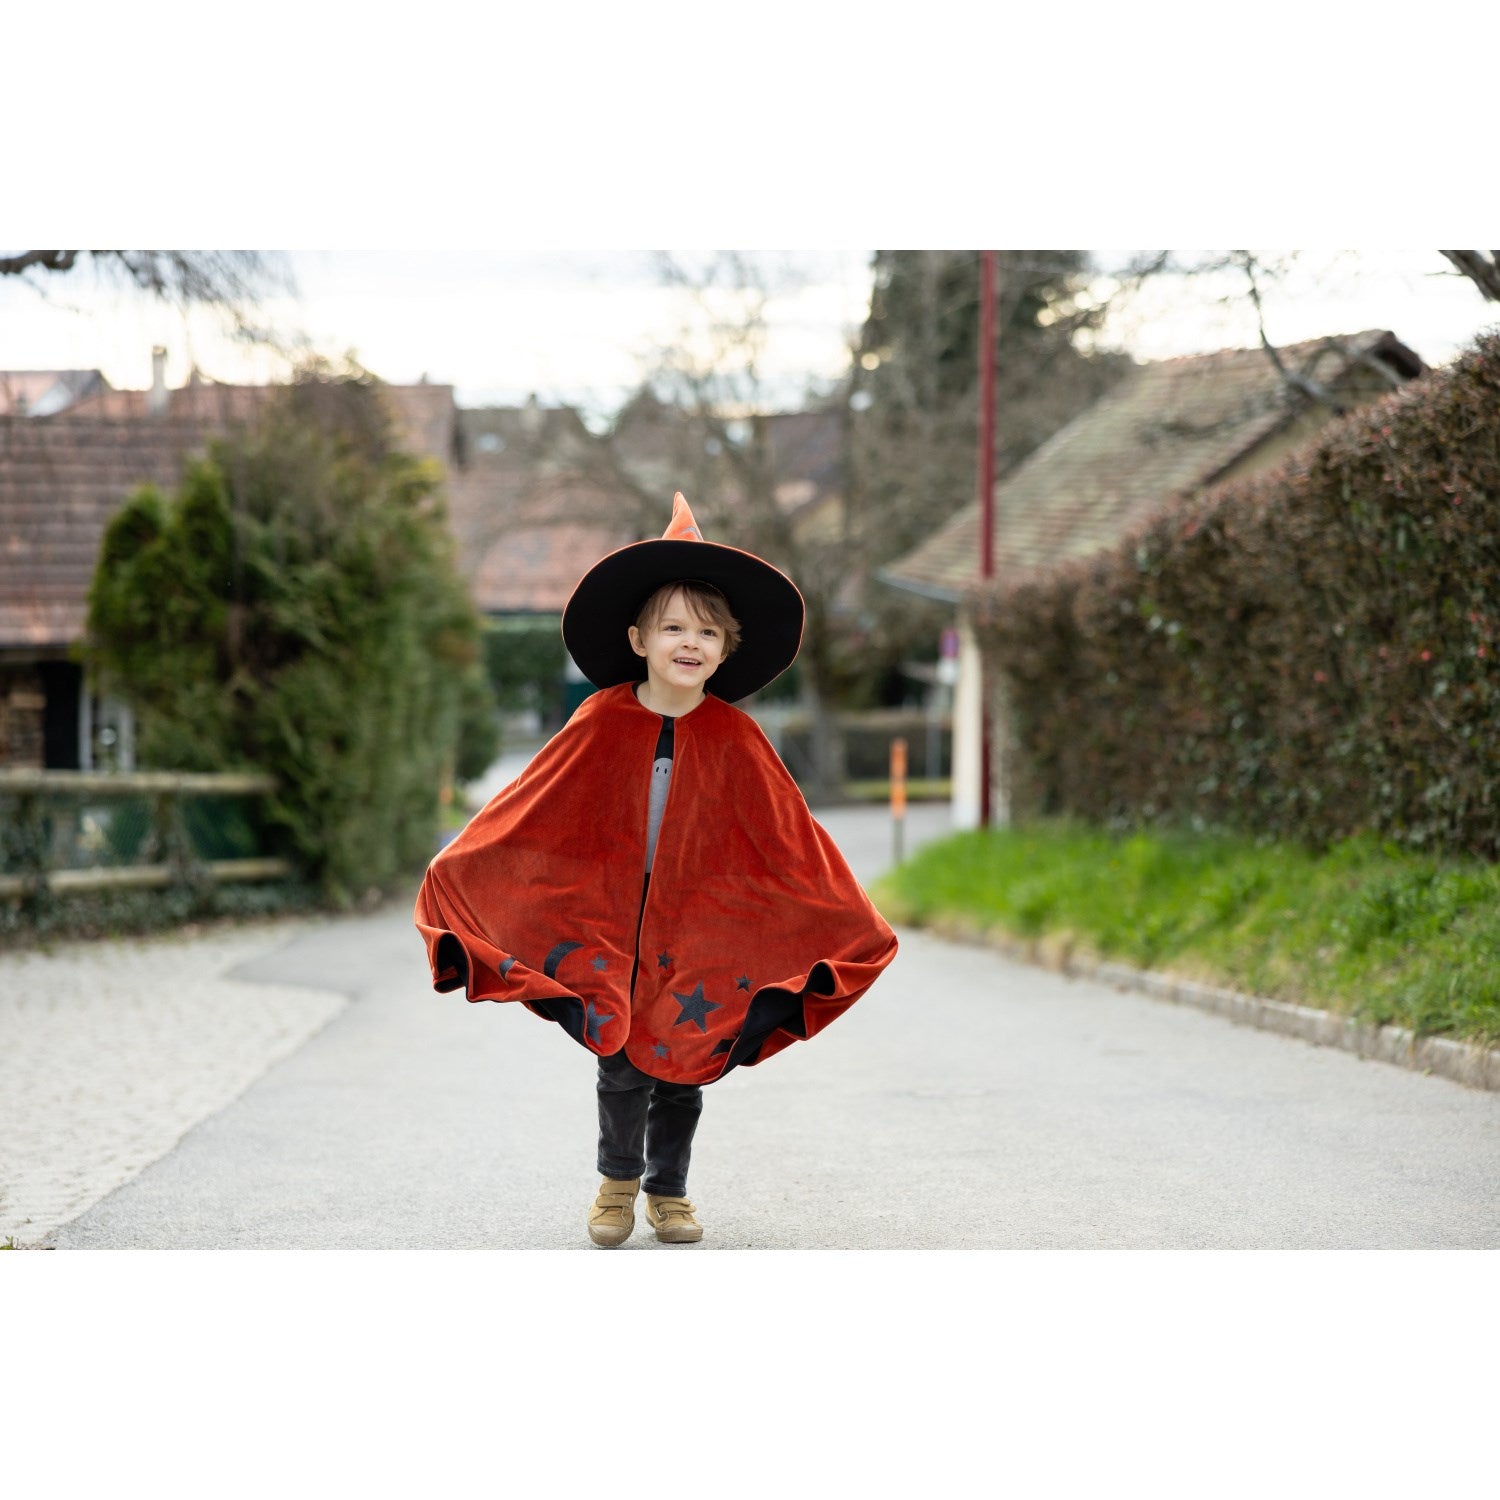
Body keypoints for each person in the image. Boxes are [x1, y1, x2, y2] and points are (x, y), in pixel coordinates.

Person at [414, 492, 898, 1247]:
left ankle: (669, 1190)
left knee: (685, 1060)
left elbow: (789, 840)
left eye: (707, 632)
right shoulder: (598, 720)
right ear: (639, 639)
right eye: (673, 627)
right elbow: (534, 807)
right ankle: (616, 1184)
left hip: (699, 926)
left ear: (727, 650)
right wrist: (462, 870)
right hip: (612, 923)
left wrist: (846, 918)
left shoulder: (739, 738)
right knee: (621, 1058)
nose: (689, 643)